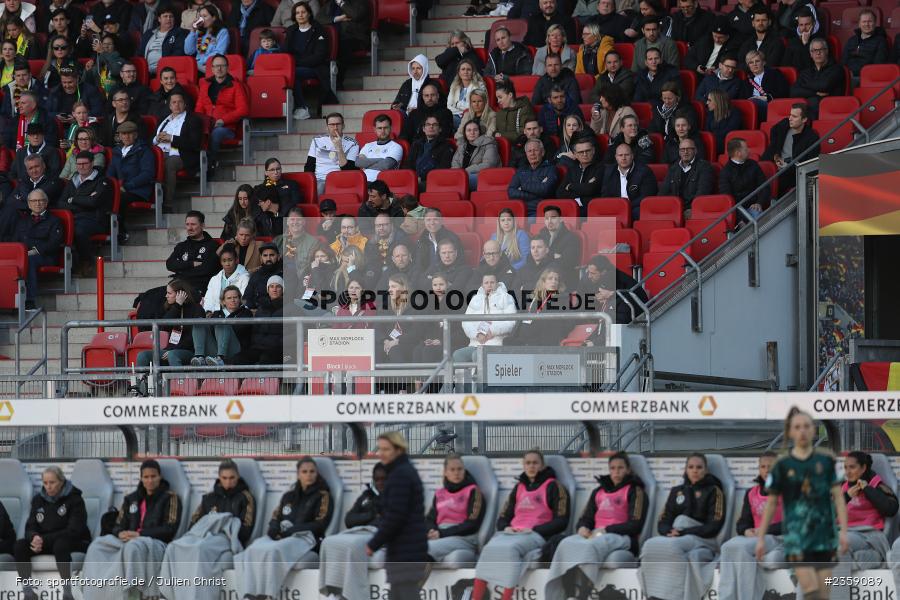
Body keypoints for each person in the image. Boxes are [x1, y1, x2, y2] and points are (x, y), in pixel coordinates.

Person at [755, 407, 849, 600]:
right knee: (810, 589)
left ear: (814, 430)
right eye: (797, 427)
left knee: (824, 593)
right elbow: (771, 504)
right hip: (796, 537)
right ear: (790, 432)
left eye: (806, 426)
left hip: (824, 536)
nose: (802, 431)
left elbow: (839, 498)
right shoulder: (782, 465)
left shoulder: (826, 461)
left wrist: (844, 532)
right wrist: (761, 537)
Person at [545, 452, 649, 600]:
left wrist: (606, 530)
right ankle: (567, 593)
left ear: (628, 470)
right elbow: (586, 517)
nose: (616, 471)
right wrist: (582, 527)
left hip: (623, 537)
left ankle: (584, 594)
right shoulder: (598, 491)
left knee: (591, 546)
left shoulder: (636, 491)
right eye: (613, 468)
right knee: (565, 544)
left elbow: (635, 524)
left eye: (620, 468)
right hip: (596, 534)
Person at [471, 449, 569, 600]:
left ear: (542, 465)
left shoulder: (554, 486)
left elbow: (562, 521)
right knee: (489, 548)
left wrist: (535, 529)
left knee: (510, 549)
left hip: (535, 534)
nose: (531, 466)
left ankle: (506, 597)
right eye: (528, 463)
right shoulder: (519, 488)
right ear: (524, 465)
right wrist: (505, 527)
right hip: (511, 533)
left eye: (535, 463)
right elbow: (503, 517)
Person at [234, 457, 333, 600]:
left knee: (273, 551)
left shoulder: (323, 495)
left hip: (306, 538)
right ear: (298, 474)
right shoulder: (288, 496)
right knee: (252, 550)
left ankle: (267, 594)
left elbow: (320, 524)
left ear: (317, 473)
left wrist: (291, 531)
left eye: (312, 471)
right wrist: (273, 531)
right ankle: (249, 594)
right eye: (304, 471)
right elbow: (275, 518)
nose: (309, 475)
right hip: (281, 536)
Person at [81, 459, 181, 600]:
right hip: (128, 540)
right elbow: (118, 524)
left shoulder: (170, 497)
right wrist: (120, 532)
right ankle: (95, 592)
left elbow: (170, 529)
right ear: (141, 478)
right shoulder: (131, 499)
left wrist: (139, 534)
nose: (150, 480)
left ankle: (131, 594)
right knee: (97, 545)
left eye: (153, 476)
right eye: (146, 477)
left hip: (154, 543)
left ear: (160, 477)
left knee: (133, 547)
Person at [157, 459, 256, 600]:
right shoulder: (208, 498)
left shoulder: (246, 498)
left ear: (238, 477)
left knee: (200, 549)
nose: (228, 482)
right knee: (174, 547)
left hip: (225, 538)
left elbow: (246, 529)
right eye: (225, 478)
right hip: (202, 536)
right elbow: (194, 523)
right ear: (219, 478)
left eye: (232, 478)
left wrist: (223, 525)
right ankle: (168, 595)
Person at [637, 453, 725, 600]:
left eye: (699, 467)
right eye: (691, 467)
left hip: (702, 537)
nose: (695, 470)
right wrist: (668, 531)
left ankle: (675, 595)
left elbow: (714, 525)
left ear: (706, 470)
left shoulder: (714, 491)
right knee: (649, 545)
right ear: (685, 469)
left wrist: (684, 531)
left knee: (673, 547)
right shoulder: (676, 491)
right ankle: (654, 593)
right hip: (678, 534)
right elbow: (663, 520)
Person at [365, 432, 428, 600]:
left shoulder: (400, 475)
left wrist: (373, 544)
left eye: (386, 449)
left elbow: (395, 517)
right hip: (405, 549)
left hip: (406, 550)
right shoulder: (401, 471)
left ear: (398, 450)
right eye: (380, 449)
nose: (381, 453)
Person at [16, 466, 90, 600]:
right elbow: (30, 527)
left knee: (60, 544)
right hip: (46, 542)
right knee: (20, 546)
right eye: (45, 483)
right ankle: (28, 593)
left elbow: (74, 531)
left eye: (52, 482)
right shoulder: (38, 500)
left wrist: (42, 539)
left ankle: (68, 593)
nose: (48, 487)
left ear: (61, 482)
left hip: (73, 542)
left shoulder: (75, 500)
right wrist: (33, 537)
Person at [718, 452, 784, 600]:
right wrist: (746, 530)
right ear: (759, 469)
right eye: (763, 466)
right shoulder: (751, 493)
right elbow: (743, 522)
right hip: (755, 537)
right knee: (727, 547)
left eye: (771, 467)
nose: (767, 470)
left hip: (778, 537)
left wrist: (763, 530)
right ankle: (727, 596)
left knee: (742, 548)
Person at [318, 464, 388, 600]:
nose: (380, 483)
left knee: (353, 545)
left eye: (384, 479)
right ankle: (335, 590)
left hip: (378, 534)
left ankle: (353, 595)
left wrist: (370, 520)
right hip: (358, 531)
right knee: (328, 541)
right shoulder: (367, 496)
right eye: (377, 479)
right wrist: (372, 515)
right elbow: (349, 520)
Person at [424, 454, 487, 562]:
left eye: (459, 469)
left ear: (464, 471)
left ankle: (413, 578)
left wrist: (442, 533)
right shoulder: (440, 493)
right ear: (445, 472)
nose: (456, 473)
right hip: (440, 534)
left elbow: (472, 524)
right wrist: (431, 530)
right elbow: (430, 519)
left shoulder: (473, 491)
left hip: (464, 538)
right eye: (452, 470)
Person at [60, 150, 112, 274]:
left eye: (84, 163)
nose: (81, 167)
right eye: (78, 164)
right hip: (75, 217)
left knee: (79, 231)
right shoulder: (73, 180)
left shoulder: (102, 181)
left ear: (92, 163)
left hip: (95, 219)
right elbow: (61, 203)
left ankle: (86, 261)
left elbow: (94, 203)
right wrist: (83, 202)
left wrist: (72, 199)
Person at [196, 53, 249, 169]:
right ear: (212, 69)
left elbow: (243, 109)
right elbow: (199, 107)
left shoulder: (235, 85)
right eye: (216, 66)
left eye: (222, 66)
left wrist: (223, 120)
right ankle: (195, 166)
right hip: (207, 125)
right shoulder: (205, 85)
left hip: (226, 128)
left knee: (216, 133)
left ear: (227, 67)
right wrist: (199, 122)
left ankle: (210, 165)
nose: (219, 69)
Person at [453, 270, 517, 364]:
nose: (489, 285)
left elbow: (511, 322)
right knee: (457, 355)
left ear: (497, 283)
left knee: (477, 355)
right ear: (482, 285)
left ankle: (479, 379)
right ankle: (465, 379)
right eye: (486, 283)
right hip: (476, 343)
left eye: (492, 282)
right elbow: (466, 322)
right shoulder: (475, 299)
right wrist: (477, 334)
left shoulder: (506, 297)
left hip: (496, 342)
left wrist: (492, 331)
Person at [286, 1, 335, 121]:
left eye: (303, 12)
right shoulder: (291, 30)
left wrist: (295, 63)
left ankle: (302, 108)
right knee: (289, 73)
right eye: (297, 13)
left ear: (309, 14)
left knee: (293, 73)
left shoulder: (318, 29)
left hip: (316, 68)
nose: (300, 15)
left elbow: (319, 56)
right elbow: (285, 51)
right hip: (295, 66)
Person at [14, 190, 63, 309]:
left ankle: (29, 301)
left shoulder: (54, 221)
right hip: (25, 255)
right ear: (29, 204)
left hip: (46, 257)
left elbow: (53, 244)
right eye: (34, 201)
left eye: (41, 200)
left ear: (46, 203)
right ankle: (11, 300)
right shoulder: (22, 221)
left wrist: (32, 251)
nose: (37, 203)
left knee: (29, 261)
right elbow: (15, 241)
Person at [106, 120, 153, 243]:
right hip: (121, 189)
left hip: (138, 190)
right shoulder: (116, 152)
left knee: (118, 200)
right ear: (119, 136)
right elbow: (110, 173)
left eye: (129, 133)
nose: (126, 136)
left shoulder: (144, 150)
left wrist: (126, 186)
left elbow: (147, 174)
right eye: (123, 134)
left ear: (136, 135)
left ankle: (121, 232)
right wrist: (112, 186)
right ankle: (108, 231)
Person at [154, 92, 202, 205]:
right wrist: (157, 138)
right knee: (148, 162)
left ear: (185, 104)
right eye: (174, 102)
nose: (177, 105)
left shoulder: (193, 120)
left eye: (180, 102)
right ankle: (152, 199)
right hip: (160, 152)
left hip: (180, 155)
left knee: (169, 163)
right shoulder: (164, 120)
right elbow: (152, 140)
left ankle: (168, 202)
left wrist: (172, 138)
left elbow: (194, 144)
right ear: (170, 106)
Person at [761, 102, 819, 192]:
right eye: (790, 115)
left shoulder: (812, 137)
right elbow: (773, 131)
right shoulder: (784, 124)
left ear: (804, 120)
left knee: (774, 182)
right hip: (773, 162)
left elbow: (809, 164)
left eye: (794, 116)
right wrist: (776, 153)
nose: (790, 118)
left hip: (791, 171)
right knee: (756, 171)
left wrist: (787, 165)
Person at [1, 156, 63, 240]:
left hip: (43, 217)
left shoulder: (54, 180)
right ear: (27, 170)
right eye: (30, 168)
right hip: (24, 217)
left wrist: (21, 199)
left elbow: (37, 199)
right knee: (8, 210)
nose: (34, 170)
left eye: (37, 166)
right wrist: (26, 202)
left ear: (44, 165)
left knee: (11, 212)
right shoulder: (24, 180)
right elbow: (10, 201)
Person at [192, 282, 252, 366]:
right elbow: (211, 330)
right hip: (215, 349)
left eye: (235, 297)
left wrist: (221, 323)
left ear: (240, 299)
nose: (233, 300)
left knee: (222, 322)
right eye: (229, 298)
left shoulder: (246, 313)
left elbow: (239, 330)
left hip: (235, 350)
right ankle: (199, 357)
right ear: (223, 301)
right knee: (199, 322)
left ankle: (221, 359)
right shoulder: (217, 314)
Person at [166, 210, 220, 295]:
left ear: (202, 225)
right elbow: (169, 264)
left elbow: (206, 270)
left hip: (200, 288)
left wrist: (181, 271)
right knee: (147, 297)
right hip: (178, 285)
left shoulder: (212, 246)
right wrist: (191, 264)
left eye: (193, 224)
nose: (189, 228)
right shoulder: (181, 246)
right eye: (187, 224)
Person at [304, 112, 359, 194]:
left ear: (343, 126)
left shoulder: (352, 144)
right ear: (327, 127)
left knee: (321, 187)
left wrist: (339, 148)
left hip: (340, 179)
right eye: (332, 125)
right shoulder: (317, 141)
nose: (335, 127)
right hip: (319, 179)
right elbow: (309, 165)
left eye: (338, 124)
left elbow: (349, 170)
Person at [790, 38, 845, 118]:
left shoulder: (837, 69)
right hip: (810, 107)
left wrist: (805, 84)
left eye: (821, 50)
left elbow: (824, 86)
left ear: (826, 51)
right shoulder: (806, 72)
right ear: (811, 54)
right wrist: (815, 93)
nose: (818, 53)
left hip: (831, 107)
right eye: (814, 50)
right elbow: (793, 91)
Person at [601, 143, 658, 220]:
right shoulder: (609, 171)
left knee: (637, 212)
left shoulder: (644, 171)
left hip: (635, 208)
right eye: (620, 155)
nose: (623, 158)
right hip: (615, 208)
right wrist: (616, 206)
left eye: (626, 155)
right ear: (616, 157)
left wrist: (625, 206)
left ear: (632, 156)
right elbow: (605, 195)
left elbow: (646, 197)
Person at [719, 137, 770, 218]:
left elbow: (764, 186)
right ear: (738, 153)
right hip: (737, 211)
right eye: (746, 149)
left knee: (756, 215)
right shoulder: (725, 172)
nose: (749, 151)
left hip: (754, 207)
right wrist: (739, 219)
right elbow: (727, 198)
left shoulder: (753, 165)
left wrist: (759, 202)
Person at [508, 139, 558, 217]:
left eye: (535, 150)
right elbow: (511, 192)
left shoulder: (551, 169)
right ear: (526, 154)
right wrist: (538, 194)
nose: (532, 154)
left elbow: (546, 190)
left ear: (542, 152)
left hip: (539, 211)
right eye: (529, 151)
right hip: (519, 211)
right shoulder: (521, 171)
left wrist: (523, 187)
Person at [661, 138, 713, 210]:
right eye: (682, 149)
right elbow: (663, 192)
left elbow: (702, 192)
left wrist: (692, 209)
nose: (685, 152)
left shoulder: (704, 167)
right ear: (679, 152)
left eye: (689, 149)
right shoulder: (673, 168)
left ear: (695, 151)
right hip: (675, 210)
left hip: (695, 209)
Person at [557, 136, 604, 215]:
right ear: (575, 154)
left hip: (594, 211)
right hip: (572, 211)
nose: (585, 154)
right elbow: (560, 193)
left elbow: (592, 189)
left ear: (593, 151)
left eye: (588, 151)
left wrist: (571, 186)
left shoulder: (602, 168)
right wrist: (582, 193)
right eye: (581, 152)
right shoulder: (572, 170)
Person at [376, 274, 417, 363]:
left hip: (407, 343)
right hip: (387, 342)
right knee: (376, 351)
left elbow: (417, 331)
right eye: (389, 286)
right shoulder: (385, 305)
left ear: (403, 288)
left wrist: (397, 342)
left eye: (393, 286)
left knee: (395, 351)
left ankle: (405, 377)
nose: (390, 289)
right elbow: (378, 326)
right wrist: (385, 341)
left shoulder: (416, 304)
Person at [200, 244, 250, 314]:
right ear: (221, 262)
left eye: (230, 260)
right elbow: (208, 300)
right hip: (216, 316)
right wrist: (208, 312)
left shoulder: (244, 277)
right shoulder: (215, 279)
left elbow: (242, 300)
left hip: (237, 316)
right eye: (224, 261)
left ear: (236, 260)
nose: (227, 264)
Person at [741, 49, 788, 121]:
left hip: (770, 105)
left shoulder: (775, 74)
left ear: (763, 62)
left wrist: (767, 98)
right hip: (752, 107)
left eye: (757, 61)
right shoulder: (746, 81)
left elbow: (784, 92)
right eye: (751, 62)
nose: (754, 64)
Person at [452, 121, 500, 191]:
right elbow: (455, 162)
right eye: (469, 130)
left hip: (483, 176)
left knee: (461, 181)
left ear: (479, 132)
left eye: (475, 130)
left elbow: (489, 164)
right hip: (462, 175)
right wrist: (457, 173)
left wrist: (465, 172)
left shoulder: (489, 143)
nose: (472, 133)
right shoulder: (462, 145)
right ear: (465, 133)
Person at [841, 10, 887, 83]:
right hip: (848, 75)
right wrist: (846, 73)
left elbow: (878, 64)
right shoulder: (851, 40)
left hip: (866, 77)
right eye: (864, 22)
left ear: (875, 23)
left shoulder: (881, 41)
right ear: (859, 24)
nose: (867, 24)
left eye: (870, 21)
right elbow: (843, 61)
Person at [140, 7, 187, 75]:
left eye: (171, 16)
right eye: (165, 16)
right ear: (159, 19)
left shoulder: (179, 33)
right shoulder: (149, 34)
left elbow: (178, 53)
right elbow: (140, 53)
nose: (168, 19)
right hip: (146, 71)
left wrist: (164, 66)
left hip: (166, 71)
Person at [357, 113, 404, 182]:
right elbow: (360, 163)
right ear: (374, 129)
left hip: (383, 183)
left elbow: (386, 165)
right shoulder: (367, 146)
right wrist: (381, 160)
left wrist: (367, 164)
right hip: (363, 182)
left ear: (390, 128)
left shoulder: (396, 147)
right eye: (379, 128)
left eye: (385, 128)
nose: (382, 131)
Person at [408, 115, 453, 186]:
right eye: (428, 124)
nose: (431, 127)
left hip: (433, 181)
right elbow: (409, 164)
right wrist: (413, 177)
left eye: (434, 124)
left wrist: (423, 178)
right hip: (414, 179)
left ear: (440, 129)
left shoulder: (446, 145)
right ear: (423, 129)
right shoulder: (416, 144)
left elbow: (444, 167)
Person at [249, 275, 284, 364]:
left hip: (280, 350)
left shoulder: (291, 308)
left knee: (265, 360)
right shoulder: (261, 309)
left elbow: (293, 335)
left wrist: (275, 343)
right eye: (271, 286)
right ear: (267, 290)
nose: (274, 289)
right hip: (260, 347)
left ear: (283, 289)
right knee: (240, 358)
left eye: (278, 286)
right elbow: (255, 332)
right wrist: (260, 343)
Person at [183, 4, 228, 75]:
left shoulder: (222, 32)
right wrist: (193, 31)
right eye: (200, 17)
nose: (202, 19)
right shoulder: (199, 32)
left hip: (213, 66)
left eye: (204, 16)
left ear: (214, 17)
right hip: (199, 66)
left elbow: (219, 53)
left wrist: (199, 62)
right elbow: (188, 51)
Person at [448, 59, 486, 128]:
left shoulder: (479, 86)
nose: (466, 72)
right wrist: (460, 109)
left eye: (468, 69)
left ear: (473, 72)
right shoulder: (454, 86)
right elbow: (449, 105)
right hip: (454, 116)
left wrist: (457, 104)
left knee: (447, 120)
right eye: (463, 69)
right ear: (459, 72)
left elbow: (475, 106)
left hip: (472, 118)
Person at [245, 241, 283, 310]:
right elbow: (247, 298)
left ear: (278, 256)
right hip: (260, 315)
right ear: (261, 258)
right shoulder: (256, 275)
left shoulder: (286, 274)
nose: (268, 259)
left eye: (272, 255)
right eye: (265, 255)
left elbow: (290, 297)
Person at [704, 89, 741, 156]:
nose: (707, 103)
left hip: (727, 144)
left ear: (718, 101)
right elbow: (707, 131)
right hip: (713, 143)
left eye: (709, 100)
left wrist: (712, 139)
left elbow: (728, 133)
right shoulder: (710, 113)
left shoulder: (734, 113)